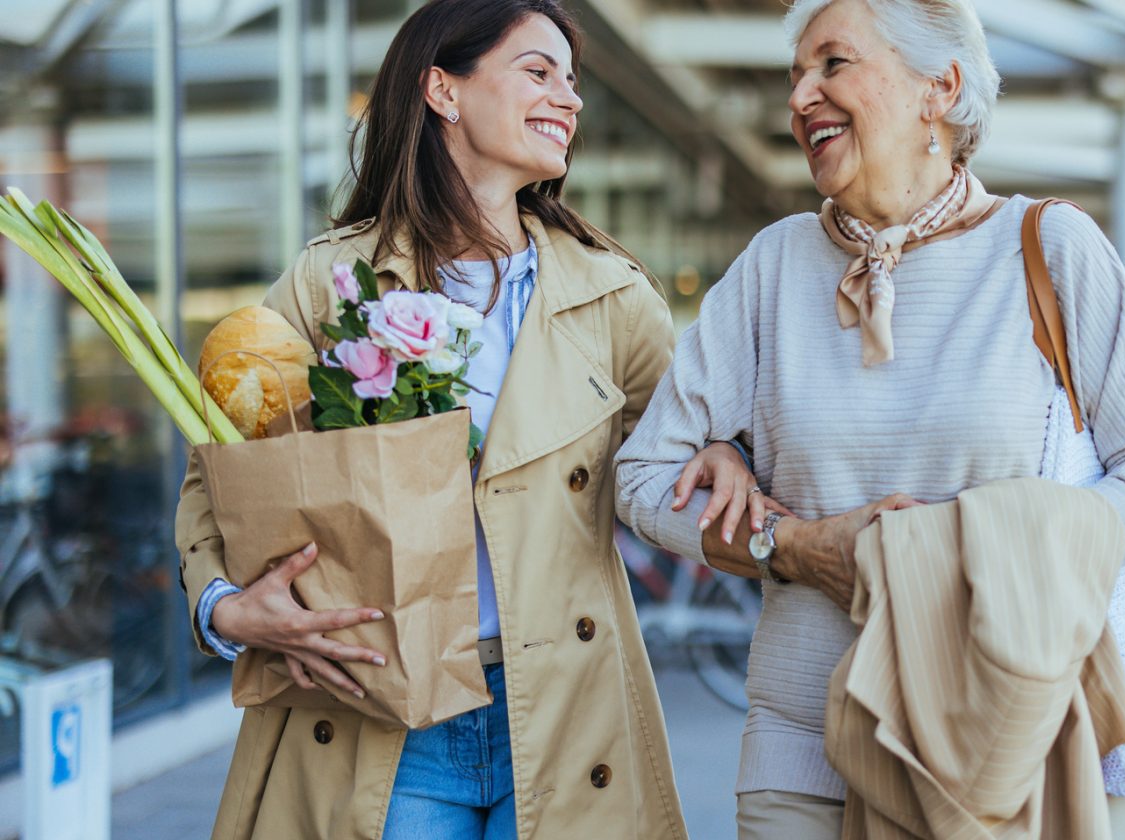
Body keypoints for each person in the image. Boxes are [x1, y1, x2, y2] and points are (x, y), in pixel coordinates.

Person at [612, 1, 1125, 837]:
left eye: (833, 64)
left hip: (1010, 746)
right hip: (803, 759)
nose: (800, 97)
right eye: (795, 76)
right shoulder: (773, 266)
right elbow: (642, 481)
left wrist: (972, 544)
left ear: (940, 88)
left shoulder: (1052, 248)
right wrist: (790, 546)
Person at [173, 2, 754, 837]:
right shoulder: (329, 282)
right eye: (539, 71)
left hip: (562, 708)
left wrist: (724, 451)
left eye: (574, 79)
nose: (571, 97)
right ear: (443, 89)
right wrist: (221, 607)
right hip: (382, 706)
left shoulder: (614, 297)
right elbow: (217, 469)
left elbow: (672, 459)